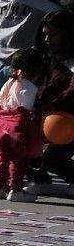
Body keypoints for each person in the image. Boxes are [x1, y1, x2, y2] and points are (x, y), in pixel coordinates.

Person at [0, 46, 48, 202]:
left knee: (2, 158)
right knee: (19, 160)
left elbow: (1, 101)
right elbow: (26, 109)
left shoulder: (9, 83)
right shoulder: (29, 88)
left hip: (0, 127)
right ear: (36, 71)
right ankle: (16, 189)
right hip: (17, 129)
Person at [34, 11, 74, 195]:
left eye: (54, 34)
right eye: (45, 34)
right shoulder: (45, 57)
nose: (48, 39)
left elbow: (72, 92)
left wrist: (51, 106)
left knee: (53, 159)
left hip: (67, 118)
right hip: (48, 116)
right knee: (18, 142)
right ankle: (41, 180)